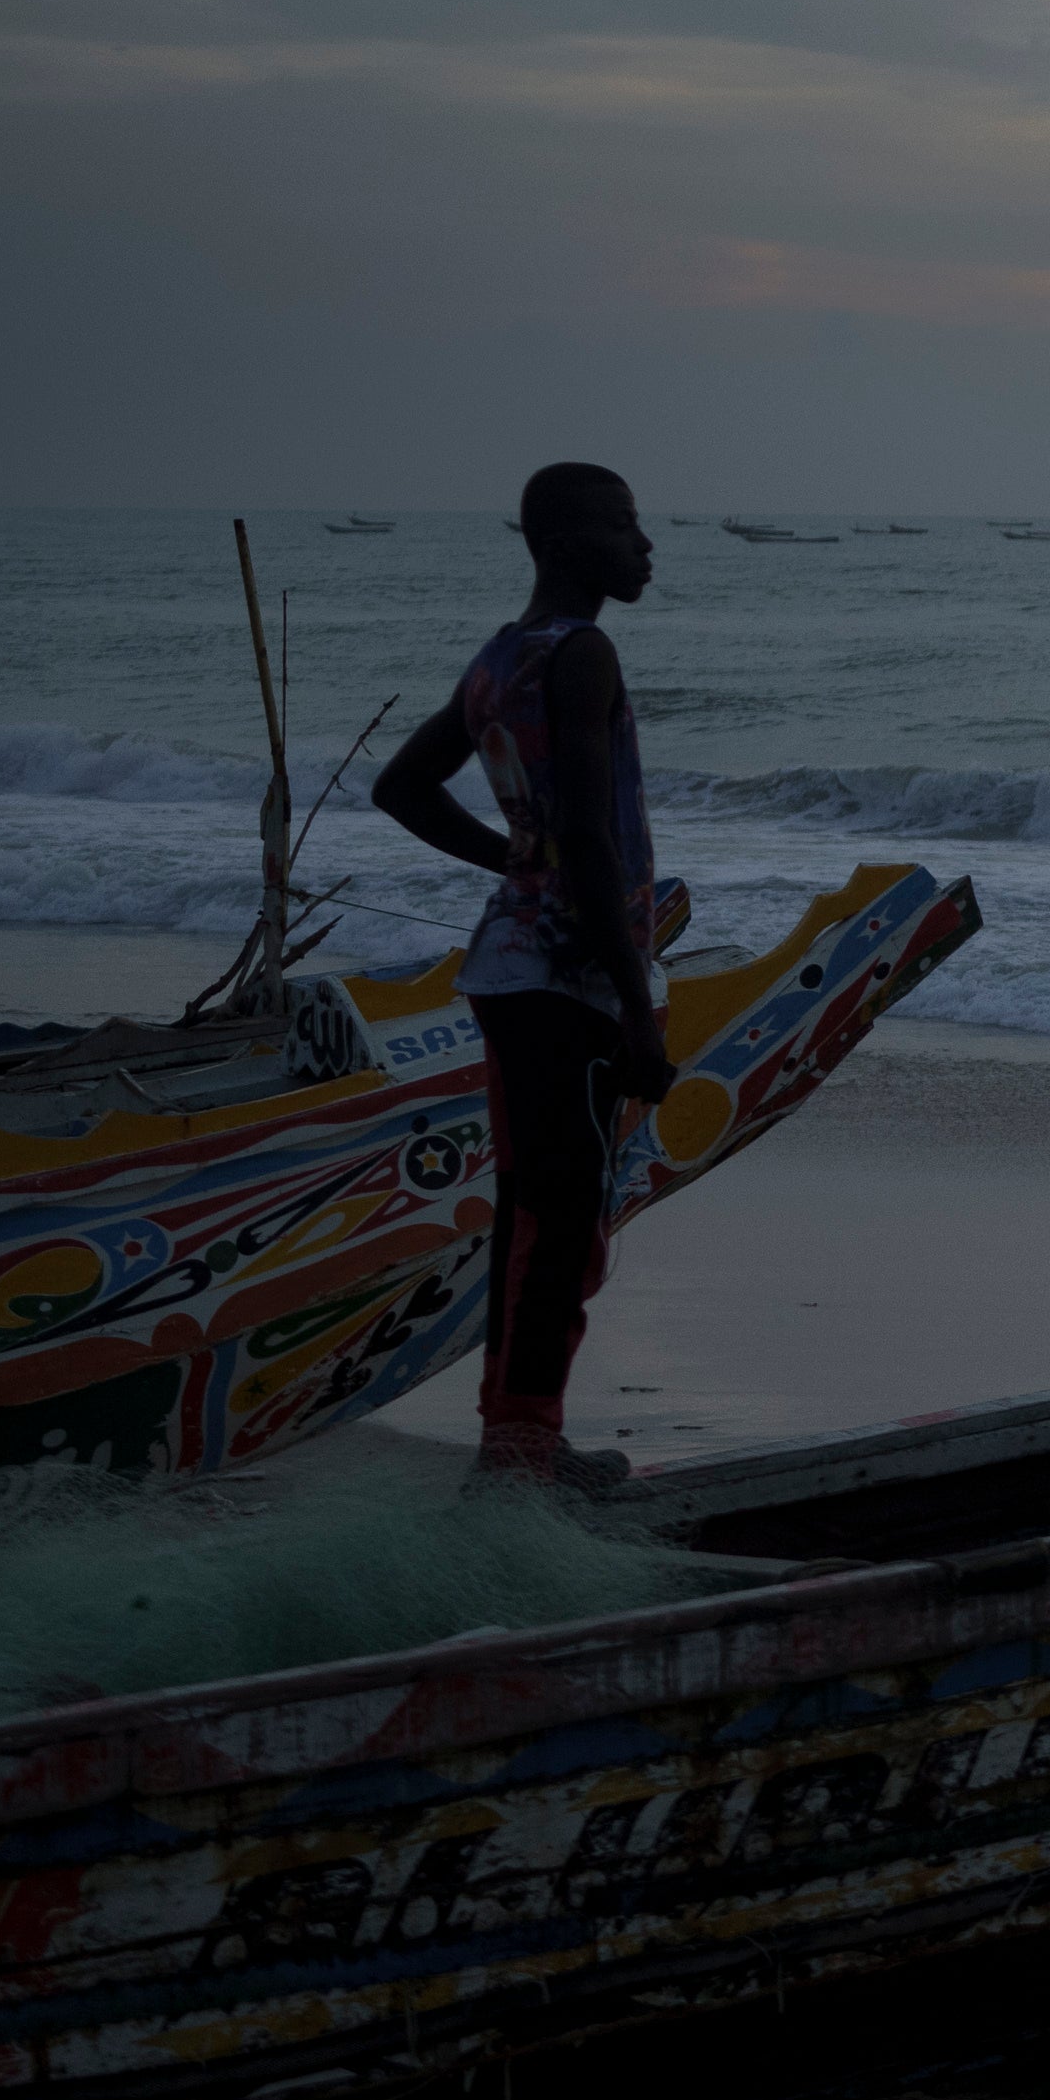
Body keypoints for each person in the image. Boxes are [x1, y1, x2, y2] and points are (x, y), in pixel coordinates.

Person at [370, 461, 675, 1493]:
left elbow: (402, 785)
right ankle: (518, 1458)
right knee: (564, 1228)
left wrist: (510, 856)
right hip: (567, 979)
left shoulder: (501, 659)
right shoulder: (583, 653)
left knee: (536, 1217)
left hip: (513, 967)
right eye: (625, 527)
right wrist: (638, 1008)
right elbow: (587, 833)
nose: (645, 546)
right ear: (562, 543)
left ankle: (521, 1442)